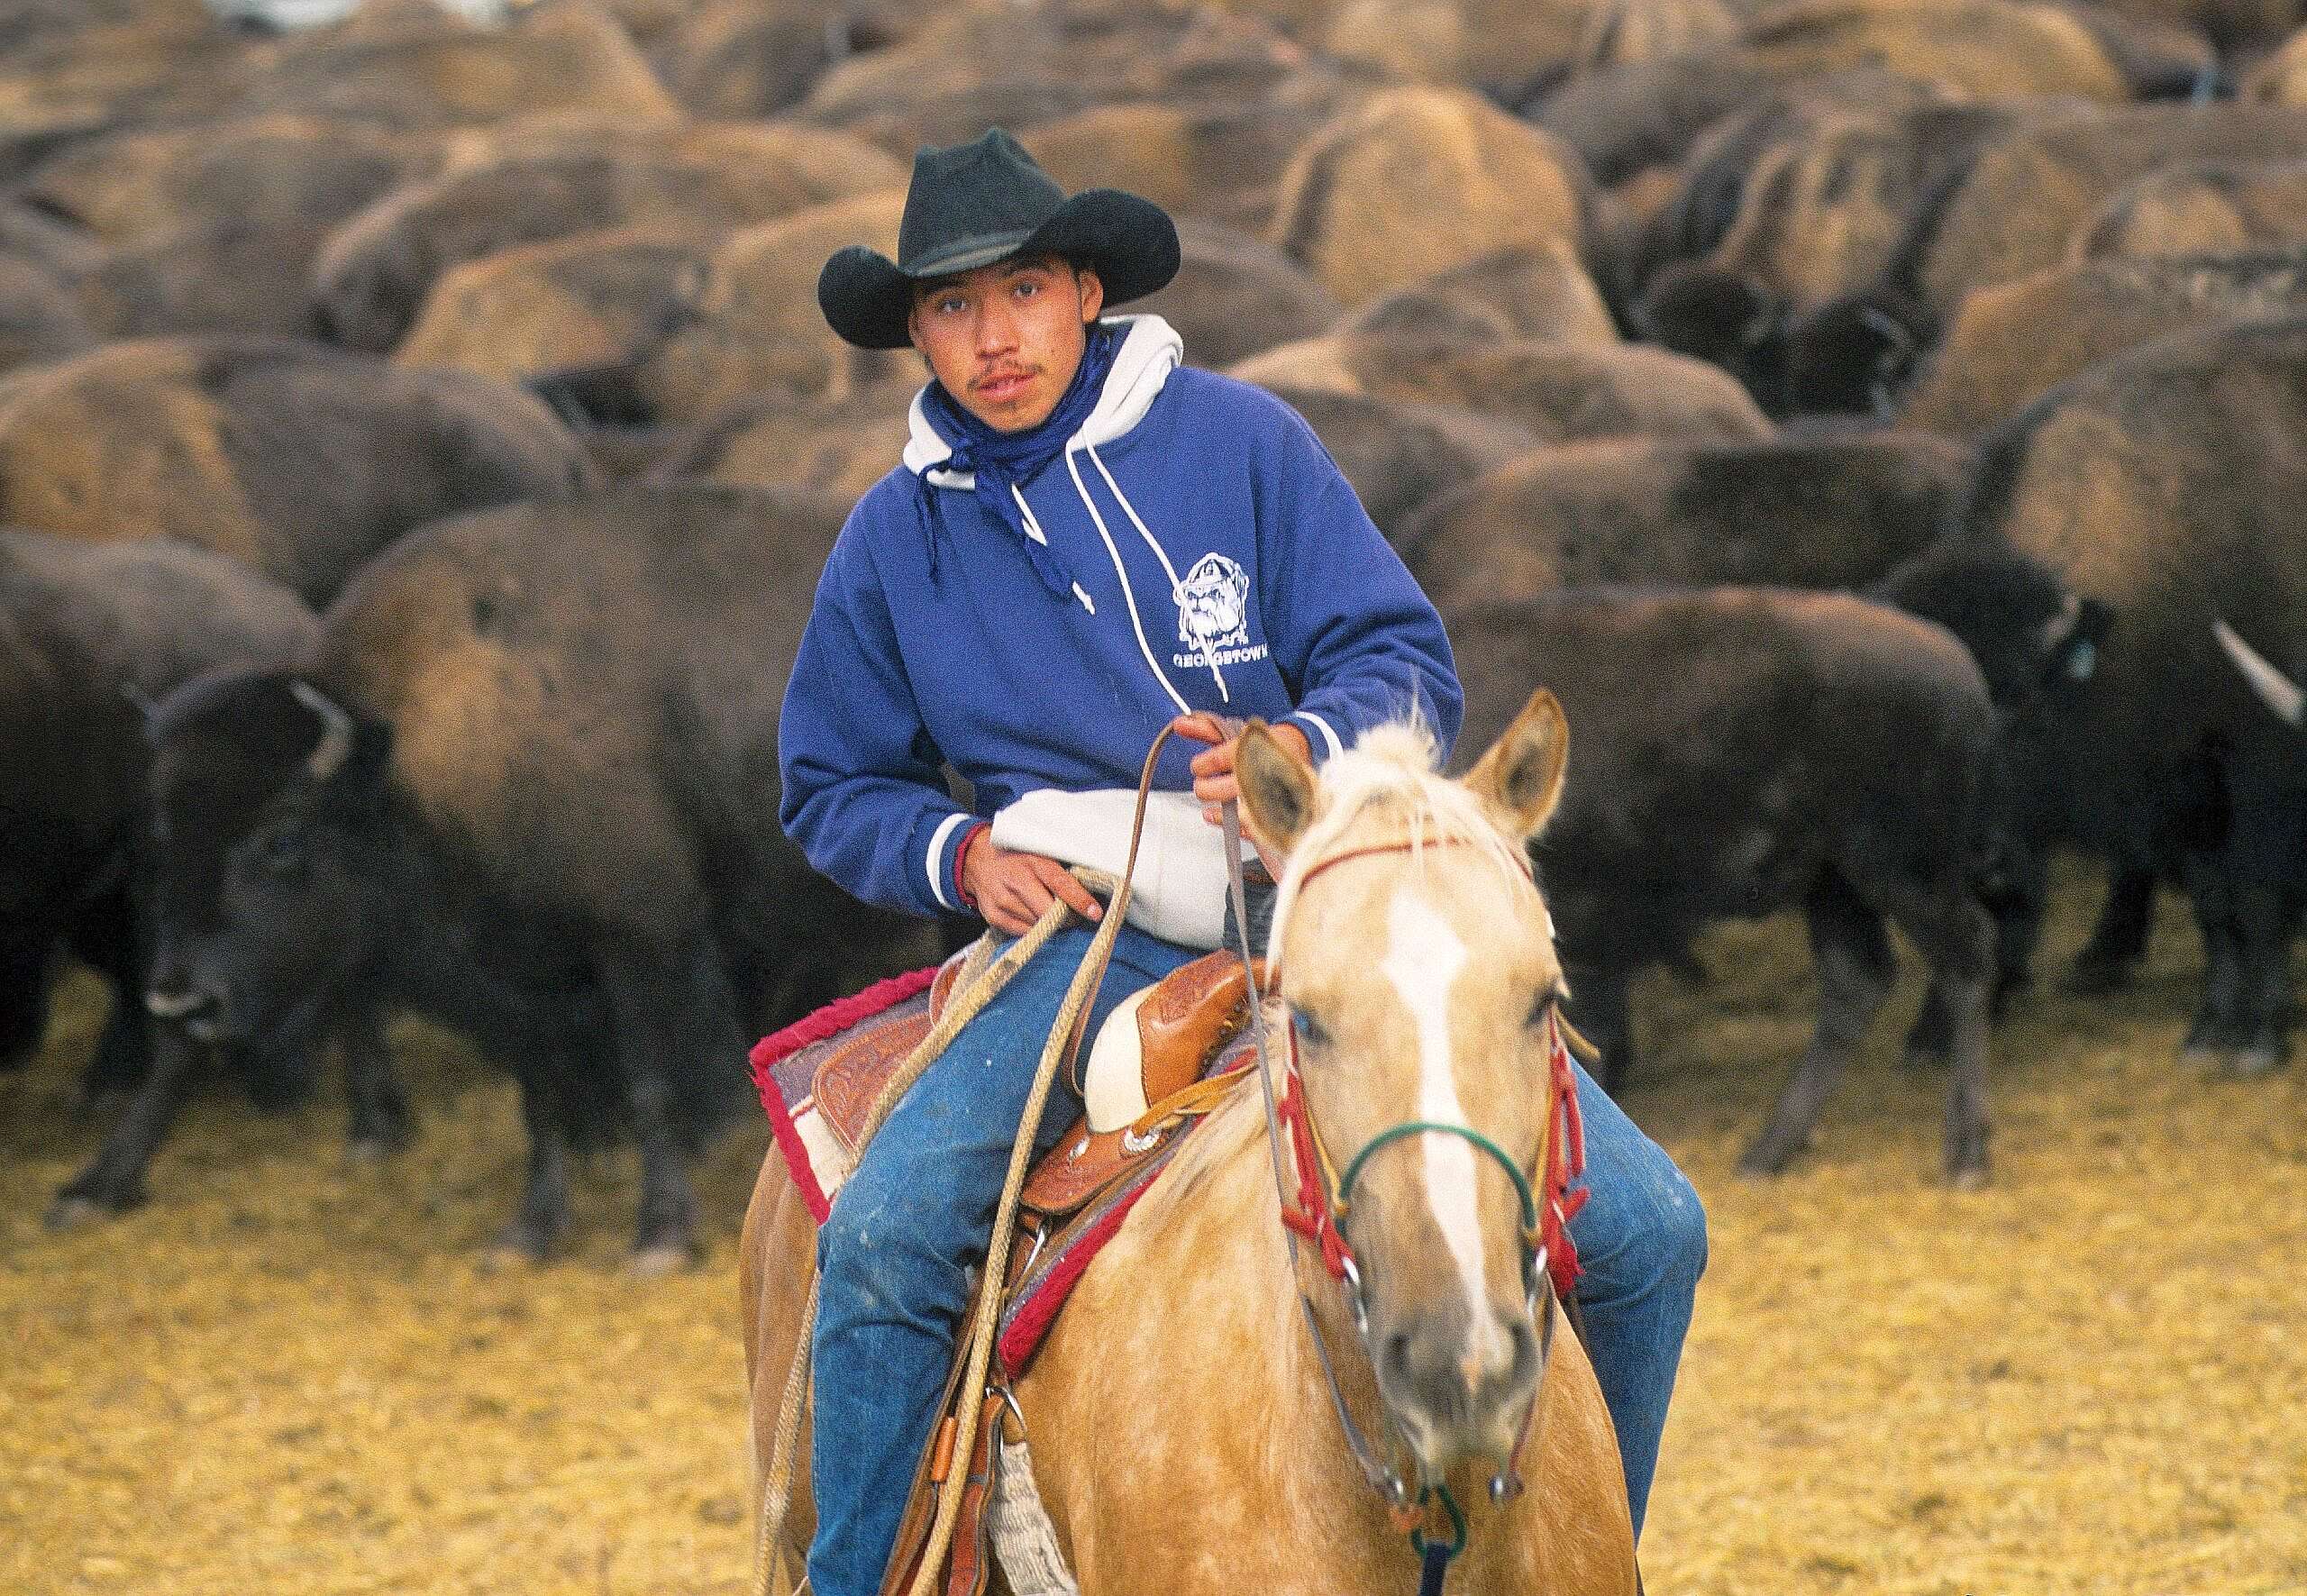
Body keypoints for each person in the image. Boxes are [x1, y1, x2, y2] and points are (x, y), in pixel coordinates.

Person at [779, 128, 1706, 1596]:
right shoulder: (898, 537)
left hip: (1322, 909)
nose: (991, 337)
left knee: (1654, 1230)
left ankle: (1575, 1556)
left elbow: (1399, 658)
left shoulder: (1244, 443)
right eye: (950, 309)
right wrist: (961, 855)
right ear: (916, 336)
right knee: (890, 1239)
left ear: (1085, 291)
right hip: (1087, 939)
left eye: (1021, 292)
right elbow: (827, 783)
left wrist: (1304, 747)